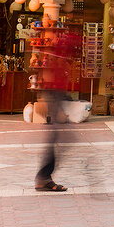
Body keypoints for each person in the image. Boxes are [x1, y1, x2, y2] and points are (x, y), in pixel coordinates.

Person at [35, 25, 79, 193]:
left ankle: (44, 177)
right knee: (57, 139)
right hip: (56, 96)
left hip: (56, 96)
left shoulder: (60, 57)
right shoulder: (61, 56)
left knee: (58, 139)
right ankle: (44, 178)